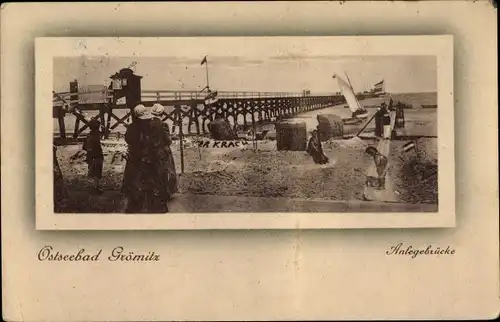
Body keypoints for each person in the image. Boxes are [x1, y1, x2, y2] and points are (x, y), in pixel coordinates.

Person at [122, 104, 171, 213]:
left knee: (136, 182)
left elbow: (128, 140)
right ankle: (157, 207)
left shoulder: (132, 127)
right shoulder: (152, 125)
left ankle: (135, 207)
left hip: (136, 158)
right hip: (150, 157)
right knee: (154, 182)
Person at [151, 103, 178, 198]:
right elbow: (167, 140)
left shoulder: (148, 123)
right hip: (163, 150)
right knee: (167, 171)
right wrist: (172, 137)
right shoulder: (163, 124)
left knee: (154, 172)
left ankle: (155, 192)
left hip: (151, 150)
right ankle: (165, 192)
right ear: (161, 113)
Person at [82, 119, 104, 194]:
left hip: (91, 156)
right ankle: (96, 188)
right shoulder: (97, 135)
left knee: (93, 171)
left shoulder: (89, 135)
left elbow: (84, 147)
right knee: (97, 173)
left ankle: (94, 187)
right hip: (97, 155)